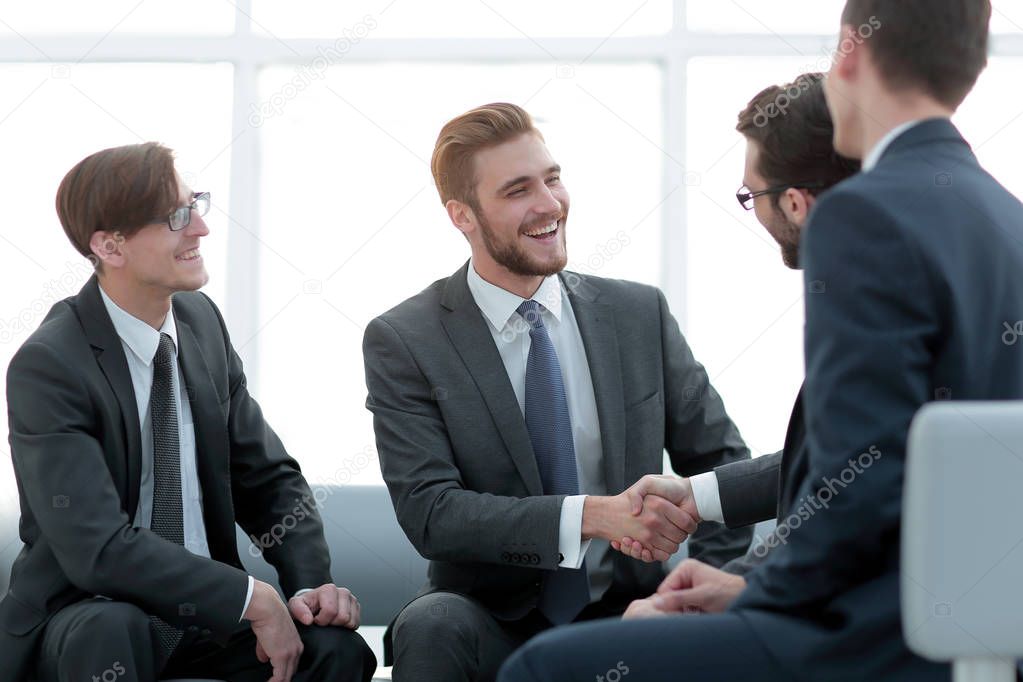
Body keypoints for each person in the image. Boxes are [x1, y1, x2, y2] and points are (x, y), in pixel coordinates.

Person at [501, 1, 1021, 679]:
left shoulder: (862, 213)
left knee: (543, 668)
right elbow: (906, 453)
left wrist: (758, 600)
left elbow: (864, 473)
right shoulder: (1002, 214)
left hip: (875, 638)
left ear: (849, 54)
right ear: (972, 64)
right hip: (979, 635)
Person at [362, 102, 753, 681]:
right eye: (518, 190)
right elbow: (432, 513)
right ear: (462, 215)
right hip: (491, 614)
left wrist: (691, 593)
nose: (550, 204)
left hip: (629, 608)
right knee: (431, 625)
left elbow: (723, 466)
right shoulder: (406, 338)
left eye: (552, 178)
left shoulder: (638, 314)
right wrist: (593, 517)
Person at [0, 142, 376, 682]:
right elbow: (97, 548)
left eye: (196, 204)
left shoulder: (200, 324)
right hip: (90, 611)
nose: (200, 228)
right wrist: (249, 597)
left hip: (207, 618)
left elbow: (269, 479)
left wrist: (306, 587)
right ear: (110, 245)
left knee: (335, 652)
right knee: (112, 630)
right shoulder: (49, 365)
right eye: (177, 215)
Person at [614, 72, 860, 593]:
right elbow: (828, 460)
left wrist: (742, 589)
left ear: (795, 203)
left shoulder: (863, 306)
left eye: (751, 194)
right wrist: (693, 495)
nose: (753, 211)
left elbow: (850, 493)